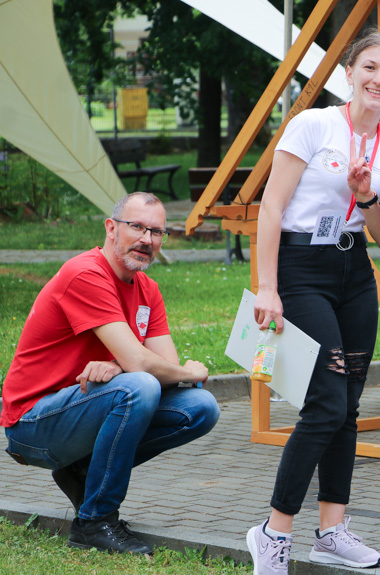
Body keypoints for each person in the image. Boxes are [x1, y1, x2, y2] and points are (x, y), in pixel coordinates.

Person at [246, 31, 380, 575]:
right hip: (300, 268)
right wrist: (268, 287)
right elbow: (271, 209)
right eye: (370, 67)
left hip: (354, 271)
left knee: (349, 408)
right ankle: (273, 532)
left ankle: (332, 530)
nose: (379, 79)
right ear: (348, 73)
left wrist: (366, 194)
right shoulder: (313, 124)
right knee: (325, 405)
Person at [2, 191, 220, 555]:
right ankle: (95, 523)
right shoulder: (85, 273)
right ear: (111, 228)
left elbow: (164, 366)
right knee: (138, 387)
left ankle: (82, 468)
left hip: (82, 411)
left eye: (157, 232)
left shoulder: (148, 289)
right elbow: (152, 369)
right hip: (32, 423)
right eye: (137, 227)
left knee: (201, 407)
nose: (147, 240)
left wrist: (127, 365)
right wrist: (161, 368)